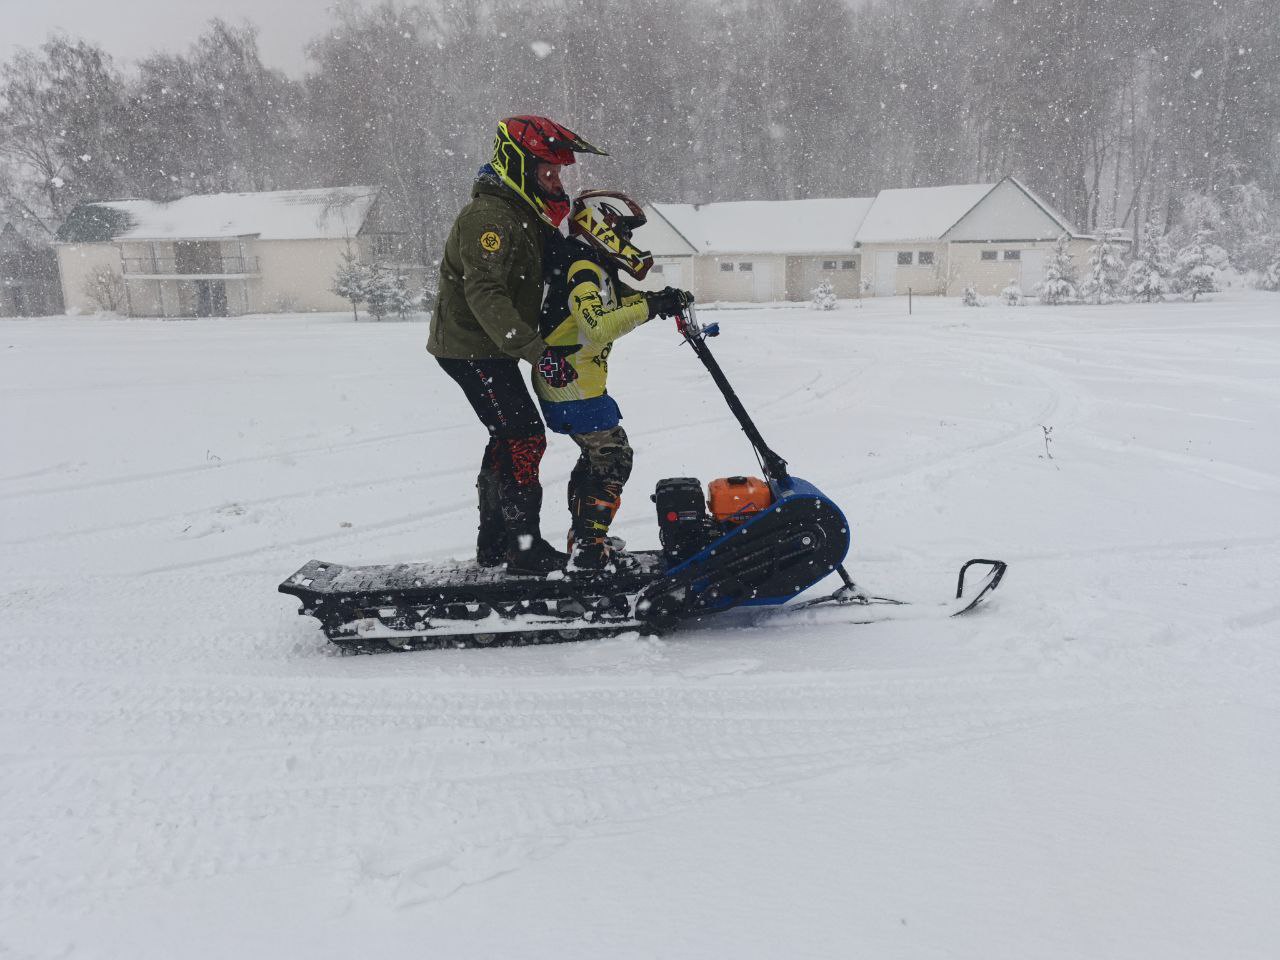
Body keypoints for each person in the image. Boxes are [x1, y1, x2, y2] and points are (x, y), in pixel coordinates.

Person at [428, 116, 606, 574]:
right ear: (519, 166)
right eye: (548, 172)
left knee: (509, 438)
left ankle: (496, 546)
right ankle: (523, 550)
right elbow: (484, 292)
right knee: (523, 437)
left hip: (493, 347)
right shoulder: (489, 218)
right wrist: (539, 353)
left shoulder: (520, 212)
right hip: (471, 349)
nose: (556, 181)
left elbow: (552, 260)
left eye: (558, 173)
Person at [534, 189, 693, 572]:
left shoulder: (590, 263)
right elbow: (599, 323)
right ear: (599, 225)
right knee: (613, 457)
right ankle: (589, 548)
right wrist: (650, 306)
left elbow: (617, 304)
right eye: (623, 230)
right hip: (571, 384)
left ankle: (585, 537)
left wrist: (659, 299)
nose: (628, 241)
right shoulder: (581, 268)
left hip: (574, 380)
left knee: (595, 458)